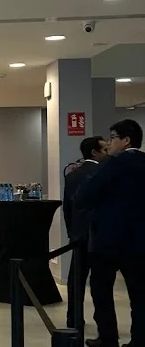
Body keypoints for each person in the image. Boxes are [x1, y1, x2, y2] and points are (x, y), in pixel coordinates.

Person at [76, 118, 145, 347]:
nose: (110, 143)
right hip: (139, 241)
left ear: (126, 140)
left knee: (102, 290)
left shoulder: (112, 164)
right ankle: (140, 341)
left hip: (108, 238)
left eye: (113, 137)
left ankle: (108, 339)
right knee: (139, 293)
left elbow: (85, 194)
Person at [62, 135, 107, 332]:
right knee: (100, 282)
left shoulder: (72, 175)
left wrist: (72, 233)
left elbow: (67, 208)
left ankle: (73, 318)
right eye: (104, 150)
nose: (107, 153)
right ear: (94, 152)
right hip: (100, 236)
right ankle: (104, 325)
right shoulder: (104, 172)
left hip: (79, 235)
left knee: (76, 279)